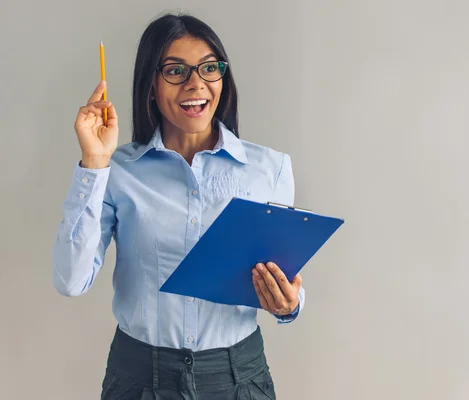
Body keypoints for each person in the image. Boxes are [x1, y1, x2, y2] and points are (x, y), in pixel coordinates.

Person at [52, 12, 305, 399]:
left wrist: (290, 303)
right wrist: (94, 164)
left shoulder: (269, 169)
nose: (195, 84)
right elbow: (70, 280)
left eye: (208, 68)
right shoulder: (117, 171)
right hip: (138, 380)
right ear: (150, 85)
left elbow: (283, 274)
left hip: (238, 380)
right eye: (175, 71)